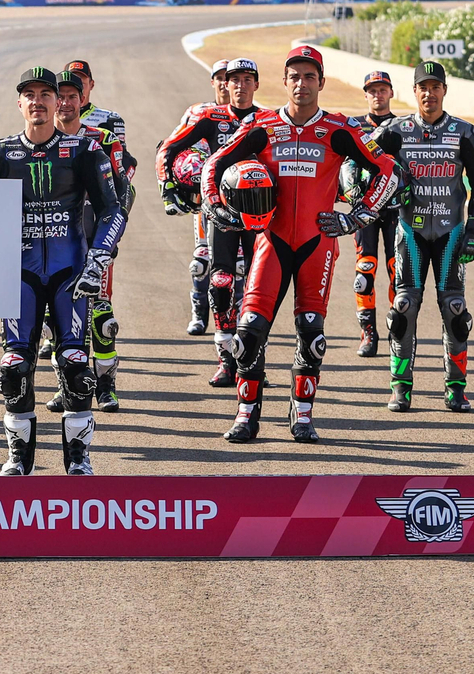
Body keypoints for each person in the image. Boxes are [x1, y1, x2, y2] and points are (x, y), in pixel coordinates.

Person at [202, 44, 398, 444]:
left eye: (310, 76)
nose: (302, 83)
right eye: (295, 76)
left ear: (321, 82)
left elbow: (388, 171)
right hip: (270, 242)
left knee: (312, 334)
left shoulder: (339, 129)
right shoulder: (265, 125)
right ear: (285, 81)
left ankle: (303, 414)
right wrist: (218, 207)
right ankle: (246, 414)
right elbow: (214, 164)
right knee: (250, 332)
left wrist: (356, 216)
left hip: (317, 245)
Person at [0, 67, 125, 476]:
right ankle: (19, 461)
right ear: (19, 103)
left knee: (75, 365)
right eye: (29, 94)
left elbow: (113, 209)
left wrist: (100, 257)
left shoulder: (85, 150)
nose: (37, 101)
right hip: (18, 273)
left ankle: (78, 461)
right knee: (15, 368)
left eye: (46, 94)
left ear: (60, 102)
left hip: (72, 271)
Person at [382, 60, 474, 412]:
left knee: (455, 311)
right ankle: (401, 387)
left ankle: (456, 389)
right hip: (409, 233)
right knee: (403, 308)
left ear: (445, 90)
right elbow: (359, 163)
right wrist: (372, 194)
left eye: (435, 86)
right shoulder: (393, 131)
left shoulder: (466, 133)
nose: (429, 93)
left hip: (451, 233)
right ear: (413, 92)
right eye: (422, 87)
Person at [157, 57, 263, 386]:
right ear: (224, 84)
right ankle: (226, 360)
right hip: (218, 213)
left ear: (256, 85)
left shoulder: (269, 119)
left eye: (247, 79)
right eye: (234, 80)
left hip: (259, 216)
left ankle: (254, 359)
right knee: (220, 283)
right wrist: (168, 188)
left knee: (256, 290)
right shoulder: (208, 117)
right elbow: (167, 150)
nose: (240, 85)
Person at [55, 70, 134, 412]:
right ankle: (66, 385)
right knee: (55, 319)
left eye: (73, 95)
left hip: (95, 240)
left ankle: (105, 386)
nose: (66, 102)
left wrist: (109, 239)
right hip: (54, 244)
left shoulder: (103, 138)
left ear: (83, 97)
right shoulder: (41, 139)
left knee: (100, 315)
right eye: (60, 96)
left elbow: (123, 191)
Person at [349, 70, 401, 357]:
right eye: (372, 90)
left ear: (391, 93)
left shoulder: (404, 125)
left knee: (398, 270)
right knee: (364, 271)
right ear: (365, 94)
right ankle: (368, 333)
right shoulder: (354, 126)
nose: (377, 95)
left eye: (382, 90)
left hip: (395, 209)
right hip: (363, 209)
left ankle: (397, 329)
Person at [180, 59, 230, 335]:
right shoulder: (198, 112)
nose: (225, 82)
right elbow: (175, 146)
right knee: (201, 262)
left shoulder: (252, 115)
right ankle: (199, 315)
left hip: (241, 203)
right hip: (204, 200)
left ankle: (234, 316)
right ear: (212, 82)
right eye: (219, 77)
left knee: (240, 266)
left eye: (229, 77)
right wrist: (182, 183)